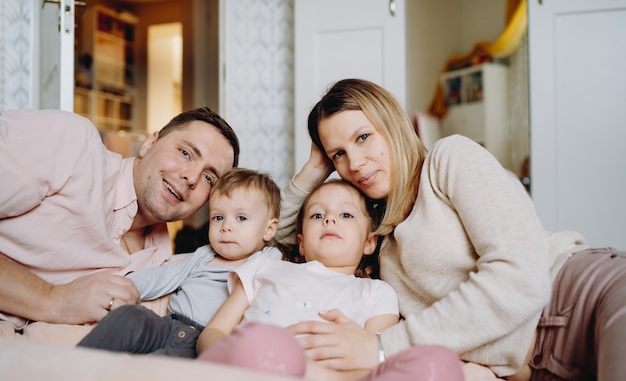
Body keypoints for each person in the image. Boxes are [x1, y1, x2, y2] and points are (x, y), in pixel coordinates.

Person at [276, 78, 626, 381]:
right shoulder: (372, 233)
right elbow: (280, 238)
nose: (354, 163)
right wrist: (312, 170)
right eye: (338, 153)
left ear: (393, 123)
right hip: (537, 368)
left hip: (586, 300)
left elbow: (522, 277)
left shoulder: (447, 160)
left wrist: (382, 348)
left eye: (364, 137)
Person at [197, 179, 464, 381]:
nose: (330, 220)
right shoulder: (267, 265)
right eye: (317, 215)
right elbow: (213, 332)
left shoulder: (376, 292)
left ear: (369, 242)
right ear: (300, 243)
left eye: (345, 215)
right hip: (264, 366)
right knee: (269, 344)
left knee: (439, 362)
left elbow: (377, 356)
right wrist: (235, 355)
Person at [0, 107, 239, 330]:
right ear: (149, 143)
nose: (191, 177)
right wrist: (52, 299)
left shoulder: (161, 265)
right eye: (185, 153)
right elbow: (58, 303)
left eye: (209, 178)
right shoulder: (72, 143)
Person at [77, 167, 282, 358]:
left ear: (269, 229)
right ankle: (74, 364)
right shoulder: (204, 255)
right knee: (131, 316)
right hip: (167, 325)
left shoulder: (265, 260)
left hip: (201, 344)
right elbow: (163, 276)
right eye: (218, 217)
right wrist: (124, 285)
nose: (226, 226)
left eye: (241, 218)